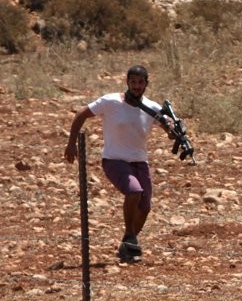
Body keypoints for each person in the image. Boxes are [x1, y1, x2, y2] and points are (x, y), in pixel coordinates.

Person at [64, 65, 173, 263]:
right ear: (127, 82)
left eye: (141, 82)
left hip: (140, 162)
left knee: (145, 206)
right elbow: (81, 114)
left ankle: (127, 245)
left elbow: (170, 131)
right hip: (115, 160)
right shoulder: (111, 101)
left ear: (146, 84)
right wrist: (71, 144)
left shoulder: (152, 108)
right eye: (133, 82)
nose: (137, 86)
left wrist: (174, 130)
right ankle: (130, 237)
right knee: (134, 191)